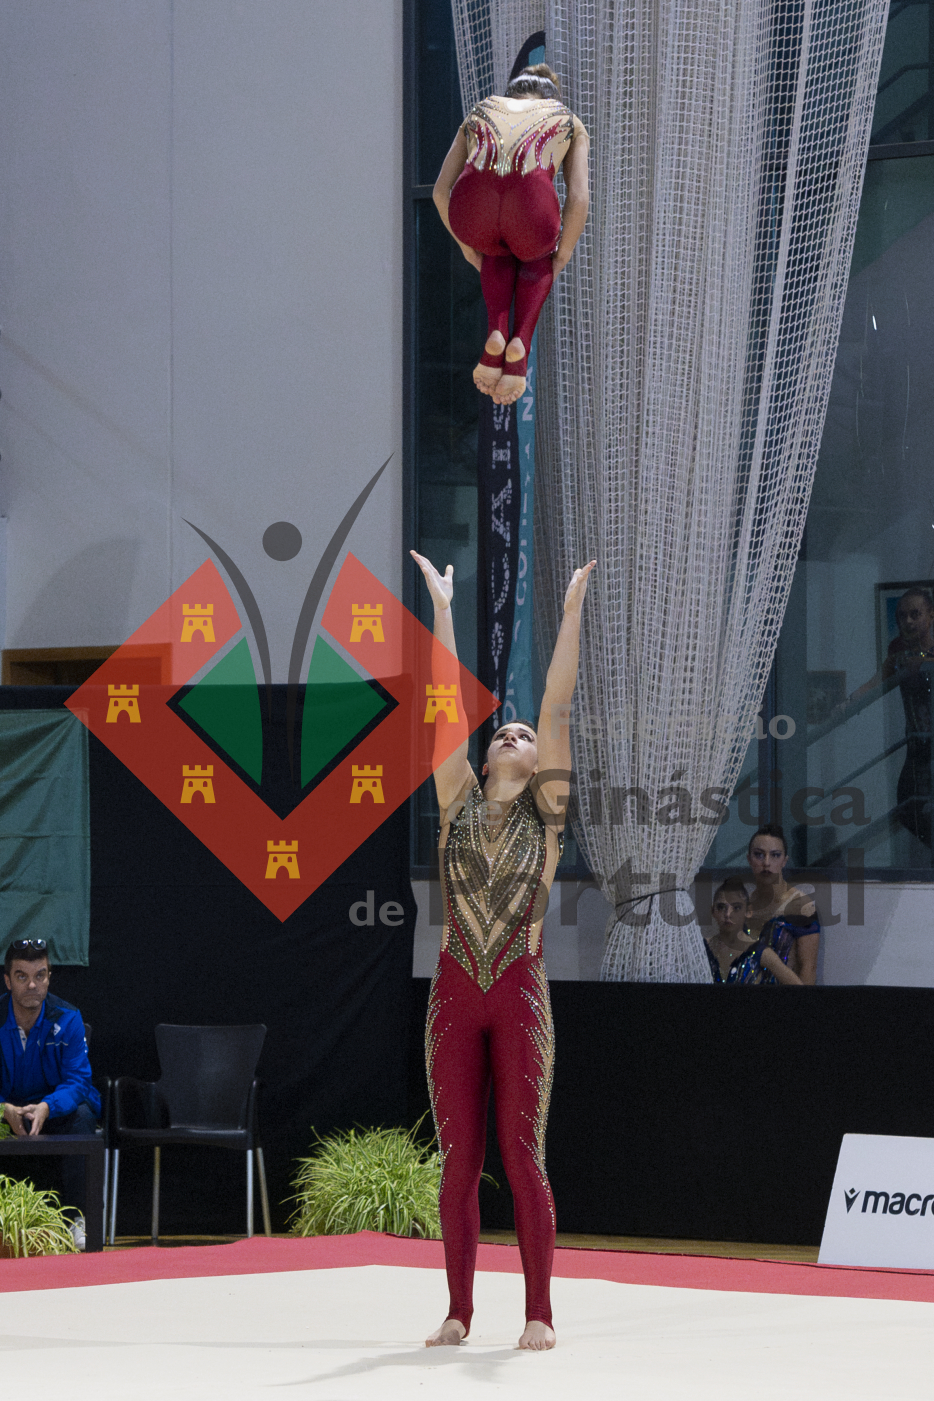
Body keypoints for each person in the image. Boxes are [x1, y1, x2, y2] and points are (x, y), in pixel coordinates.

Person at [411, 546, 595, 1352]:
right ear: (486, 759)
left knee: (523, 1154)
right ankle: (457, 1308)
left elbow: (556, 707)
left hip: (519, 993)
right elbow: (441, 706)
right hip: (455, 994)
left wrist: (570, 615)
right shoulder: (453, 802)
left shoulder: (546, 814)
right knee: (460, 1159)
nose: (518, 732)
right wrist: (444, 612)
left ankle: (539, 1311)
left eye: (524, 734)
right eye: (505, 731)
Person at [433, 63, 590, 406]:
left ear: (512, 94)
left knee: (496, 250)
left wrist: (464, 245)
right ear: (551, 95)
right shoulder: (568, 120)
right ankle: (520, 341)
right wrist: (560, 255)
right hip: (530, 211)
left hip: (471, 209)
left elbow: (439, 192)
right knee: (535, 256)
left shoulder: (482, 109)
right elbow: (578, 199)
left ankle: (496, 334)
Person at [0, 938, 101, 1248]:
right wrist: (3, 1108)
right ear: (8, 980)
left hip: (53, 1109)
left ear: (49, 977)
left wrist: (46, 1106)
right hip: (6, 1111)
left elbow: (78, 1081)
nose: (32, 984)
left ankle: (77, 1220)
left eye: (40, 975)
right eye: (22, 976)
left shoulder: (67, 1017)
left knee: (82, 1113)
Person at [745, 825, 820, 984]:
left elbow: (808, 968)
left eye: (775, 855)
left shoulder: (800, 906)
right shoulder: (743, 905)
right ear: (749, 859)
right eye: (759, 855)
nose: (766, 863)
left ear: (784, 861)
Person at [705, 876, 803, 985]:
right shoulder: (702, 947)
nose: (728, 914)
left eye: (736, 908)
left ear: (748, 911)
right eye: (721, 907)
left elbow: (797, 986)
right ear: (713, 910)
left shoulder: (760, 952)